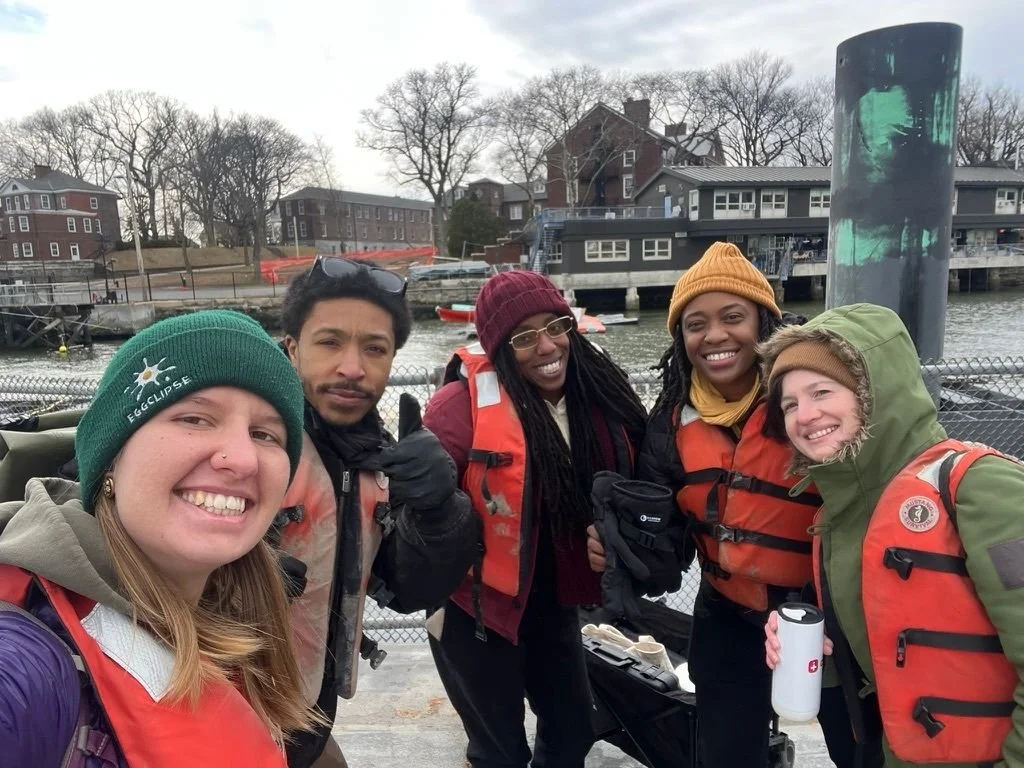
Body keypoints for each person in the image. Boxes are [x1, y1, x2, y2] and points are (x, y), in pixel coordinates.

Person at [0, 310, 316, 766]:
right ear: (110, 459)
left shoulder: (239, 617)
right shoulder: (28, 664)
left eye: (265, 434)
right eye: (195, 418)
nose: (243, 459)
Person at [586, 242, 856, 767]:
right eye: (695, 324)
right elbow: (666, 559)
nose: (714, 336)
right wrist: (622, 545)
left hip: (824, 618)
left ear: (765, 321)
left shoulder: (814, 397)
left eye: (733, 316)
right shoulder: (669, 423)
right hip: (726, 614)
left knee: (859, 747)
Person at [762, 302, 1024, 768]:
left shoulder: (979, 488)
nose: (805, 415)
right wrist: (811, 652)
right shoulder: (835, 520)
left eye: (822, 391)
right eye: (789, 404)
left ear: (873, 392)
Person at [423, 270, 648, 768]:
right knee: (499, 753)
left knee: (572, 732)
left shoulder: (603, 394)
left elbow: (645, 480)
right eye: (523, 337)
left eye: (556, 326)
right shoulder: (456, 410)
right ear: (500, 348)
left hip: (556, 602)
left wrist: (618, 534)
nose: (547, 346)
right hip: (474, 610)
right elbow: (419, 520)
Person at [278, 256, 479, 768]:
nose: (352, 367)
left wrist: (439, 511)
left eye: (375, 348)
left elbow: (407, 590)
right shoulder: (244, 443)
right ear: (291, 348)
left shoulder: (375, 460)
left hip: (305, 707)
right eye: (329, 342)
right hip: (216, 709)